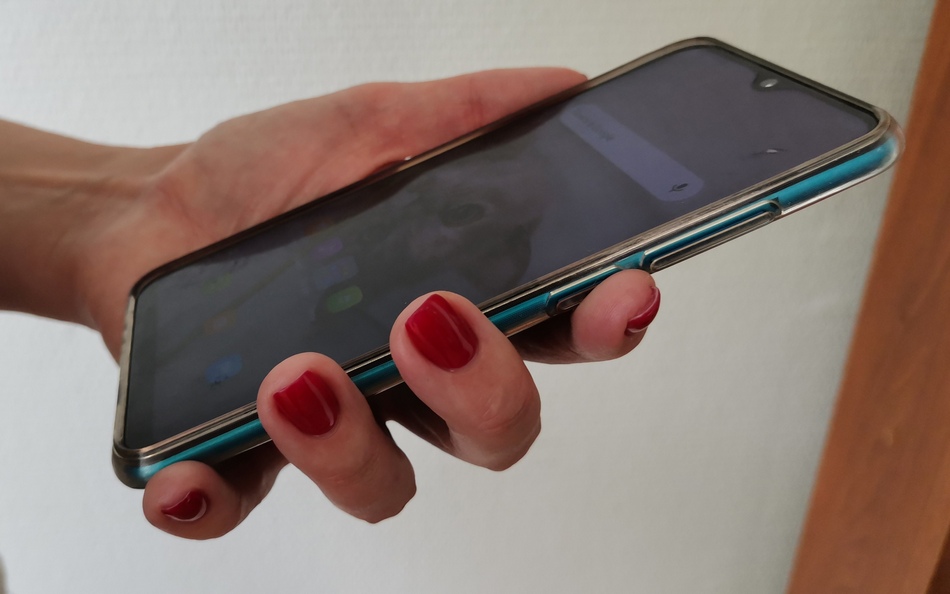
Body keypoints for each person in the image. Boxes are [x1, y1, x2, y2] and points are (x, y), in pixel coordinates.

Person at [0, 68, 660, 540]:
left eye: (484, 228)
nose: (437, 226)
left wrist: (110, 217)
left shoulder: (375, 313)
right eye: (452, 200)